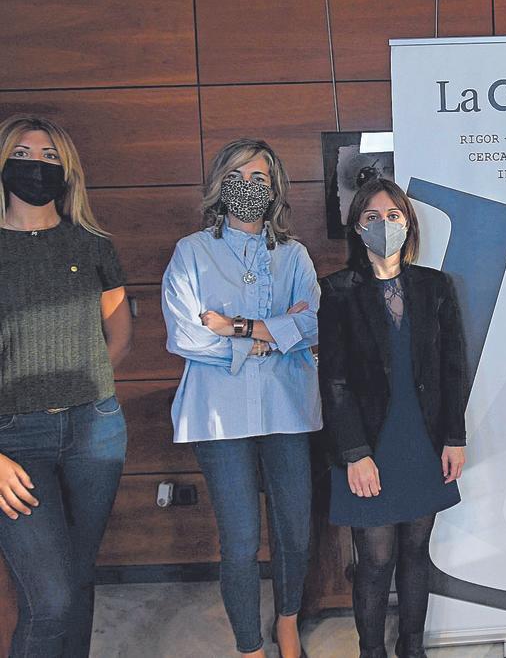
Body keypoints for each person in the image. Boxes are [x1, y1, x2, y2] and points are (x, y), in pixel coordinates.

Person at [162, 139, 319, 658]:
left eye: (260, 179)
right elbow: (185, 336)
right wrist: (267, 337)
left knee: (295, 530)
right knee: (241, 541)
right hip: (218, 414)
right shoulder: (192, 252)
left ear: (275, 189)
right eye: (238, 176)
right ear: (218, 184)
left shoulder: (292, 254)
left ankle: (288, 619)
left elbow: (313, 321)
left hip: (287, 406)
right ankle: (249, 645)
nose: (249, 188)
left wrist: (233, 328)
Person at [318, 178, 467, 658]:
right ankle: (371, 652)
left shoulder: (435, 287)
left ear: (409, 224)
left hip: (423, 442)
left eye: (395, 216)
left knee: (415, 552)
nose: (386, 226)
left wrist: (454, 437)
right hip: (368, 446)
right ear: (357, 229)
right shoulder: (338, 292)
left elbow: (452, 367)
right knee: (376, 559)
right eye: (373, 218)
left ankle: (412, 648)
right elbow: (334, 381)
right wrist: (354, 453)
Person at [0, 114, 132, 657]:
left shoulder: (92, 243)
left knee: (77, 583)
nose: (38, 164)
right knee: (49, 597)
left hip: (94, 432)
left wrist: (86, 384)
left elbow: (118, 334)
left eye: (52, 156)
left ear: (69, 171)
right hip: (14, 441)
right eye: (25, 153)